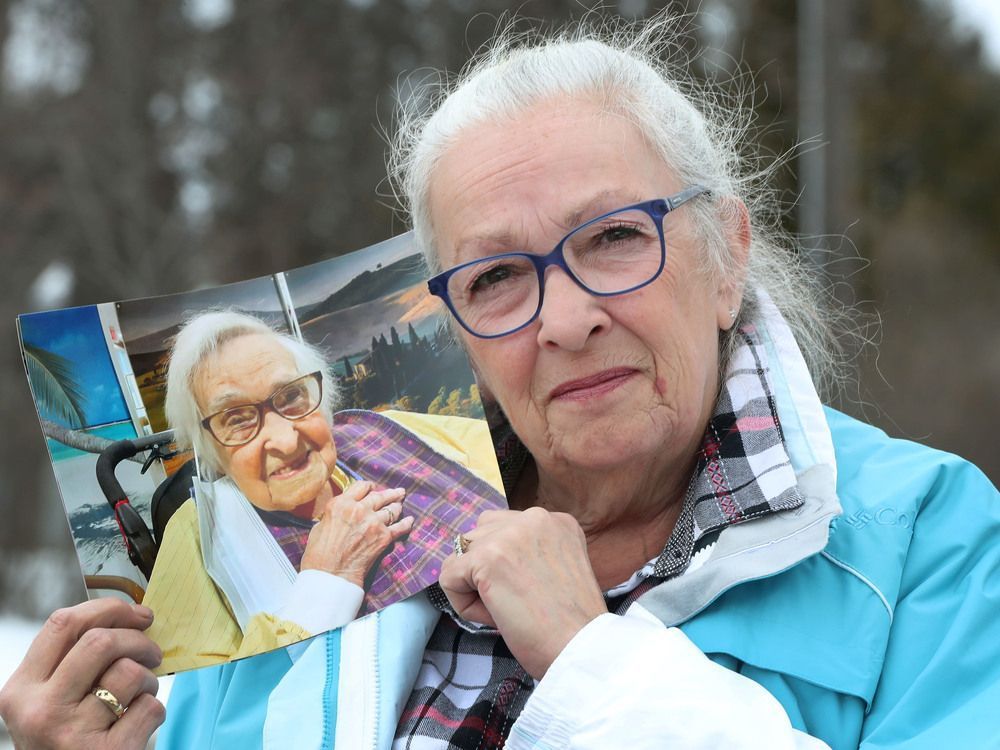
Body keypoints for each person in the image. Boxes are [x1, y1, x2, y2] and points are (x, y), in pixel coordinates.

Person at [3, 15, 999, 750]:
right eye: (496, 277)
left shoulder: (925, 542)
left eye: (614, 239)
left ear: (725, 256)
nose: (567, 321)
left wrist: (589, 658)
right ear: (455, 327)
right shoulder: (312, 540)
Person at [137, 310, 507, 674]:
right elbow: (195, 707)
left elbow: (507, 466)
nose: (284, 439)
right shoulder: (197, 533)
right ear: (211, 450)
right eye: (236, 419)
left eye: (292, 395)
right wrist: (326, 584)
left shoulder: (379, 428)